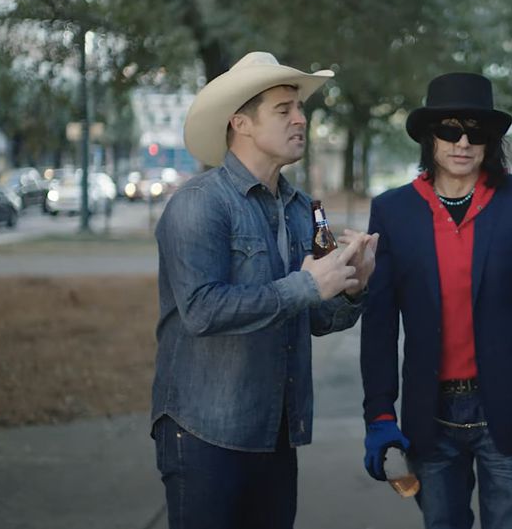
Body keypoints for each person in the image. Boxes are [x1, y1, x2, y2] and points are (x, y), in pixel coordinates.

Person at [151, 51, 378, 529]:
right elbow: (202, 311)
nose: (301, 118)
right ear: (242, 123)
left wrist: (354, 285)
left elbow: (315, 317)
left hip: (275, 429)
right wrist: (306, 284)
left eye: (300, 109)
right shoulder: (198, 204)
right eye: (284, 110)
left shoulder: (302, 209)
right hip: (204, 431)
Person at [360, 72, 512, 529]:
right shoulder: (392, 210)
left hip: (510, 413)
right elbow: (378, 324)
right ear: (429, 137)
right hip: (429, 418)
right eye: (450, 129)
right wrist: (378, 413)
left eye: (476, 131)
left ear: (490, 140)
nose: (463, 141)